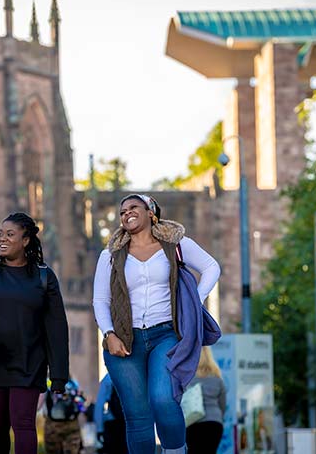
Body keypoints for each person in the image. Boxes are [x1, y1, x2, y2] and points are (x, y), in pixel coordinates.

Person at [93, 194, 221, 454]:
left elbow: (211, 267)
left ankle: (175, 451)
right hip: (125, 340)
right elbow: (100, 300)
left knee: (163, 398)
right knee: (137, 416)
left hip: (166, 334)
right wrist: (108, 334)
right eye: (122, 211)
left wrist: (194, 301)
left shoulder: (175, 244)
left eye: (133, 208)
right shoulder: (111, 254)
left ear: (151, 213)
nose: (126, 213)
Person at [0, 212, 70, 454]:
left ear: (26, 240)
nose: (2, 239)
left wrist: (59, 375)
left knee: (24, 423)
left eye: (10, 234)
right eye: (0, 234)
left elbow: (56, 328)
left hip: (29, 362)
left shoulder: (43, 277)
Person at [185, 347, 226, 453]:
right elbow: (222, 404)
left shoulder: (188, 377)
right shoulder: (217, 379)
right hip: (215, 423)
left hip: (193, 422)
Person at [44, 380, 84, 454]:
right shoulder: (74, 383)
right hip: (72, 423)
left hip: (53, 425)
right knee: (72, 450)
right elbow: (80, 402)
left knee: (53, 450)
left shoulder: (48, 383)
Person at [94, 374, 126, 454]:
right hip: (130, 422)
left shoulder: (108, 378)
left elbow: (99, 405)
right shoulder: (135, 376)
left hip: (112, 423)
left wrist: (99, 429)